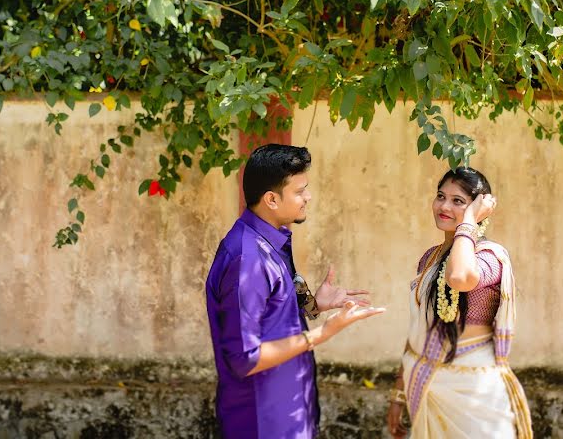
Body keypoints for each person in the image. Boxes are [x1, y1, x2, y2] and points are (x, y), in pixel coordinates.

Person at [206, 144, 386, 439]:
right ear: (272, 199)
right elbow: (244, 358)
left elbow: (271, 312)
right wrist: (321, 334)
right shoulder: (246, 259)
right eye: (300, 191)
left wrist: (314, 305)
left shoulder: (271, 239)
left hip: (290, 414)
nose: (308, 197)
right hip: (261, 422)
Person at [387, 166, 533, 439]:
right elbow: (419, 330)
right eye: (441, 196)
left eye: (458, 201)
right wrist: (398, 394)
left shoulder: (489, 257)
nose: (444, 206)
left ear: (478, 210)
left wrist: (468, 222)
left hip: (475, 397)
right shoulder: (429, 258)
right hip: (428, 386)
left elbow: (460, 277)